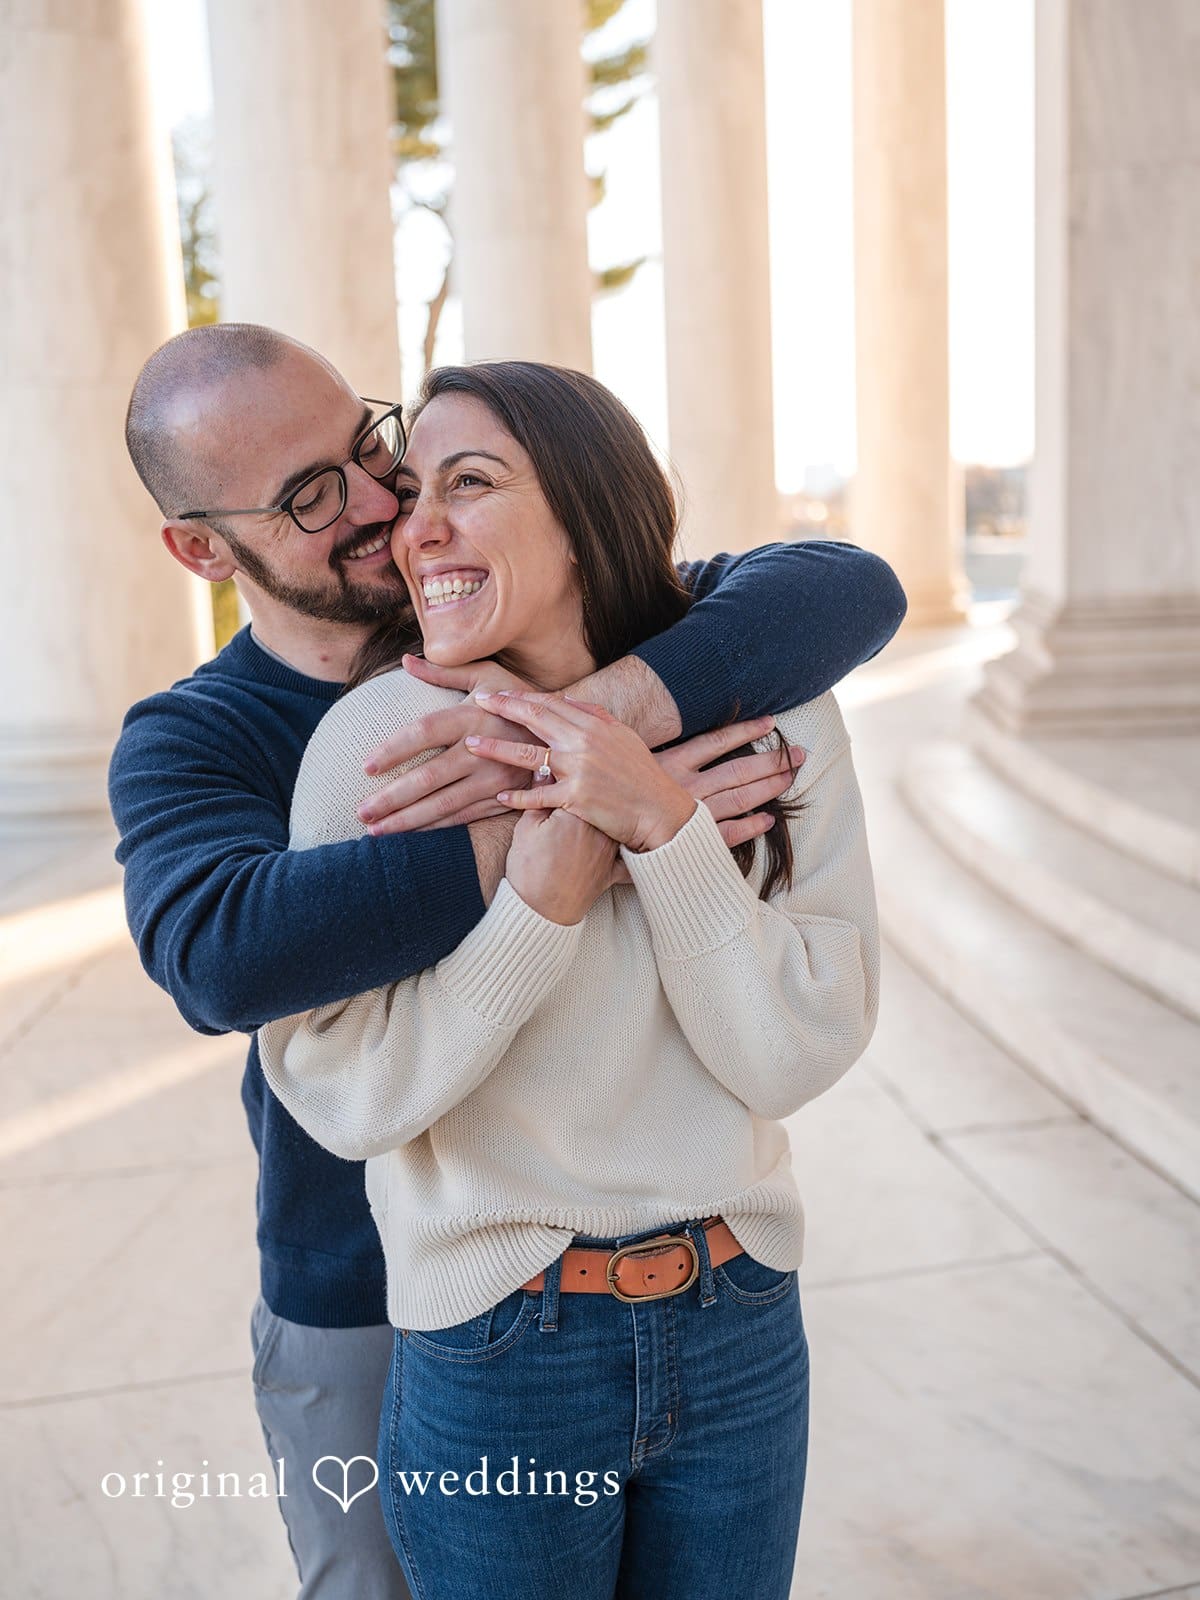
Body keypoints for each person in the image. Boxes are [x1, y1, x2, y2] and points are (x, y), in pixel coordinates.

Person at [110, 324, 905, 1599]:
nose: (385, 508)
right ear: (204, 549)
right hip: (373, 1283)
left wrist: (613, 744)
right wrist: (557, 816)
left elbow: (850, 586)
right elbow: (220, 952)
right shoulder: (211, 738)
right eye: (317, 496)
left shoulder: (654, 655)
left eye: (378, 452)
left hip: (715, 1290)